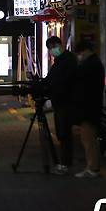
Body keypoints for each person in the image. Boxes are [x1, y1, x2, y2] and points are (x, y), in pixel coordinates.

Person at [43, 36, 78, 175]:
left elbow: (63, 82)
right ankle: (64, 163)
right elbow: (52, 79)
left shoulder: (68, 60)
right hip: (60, 103)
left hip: (65, 103)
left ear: (59, 45)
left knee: (64, 134)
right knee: (62, 133)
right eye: (50, 49)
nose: (52, 51)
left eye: (53, 47)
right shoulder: (59, 61)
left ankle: (65, 164)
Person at [73, 41, 105, 178]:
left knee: (88, 138)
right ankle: (92, 166)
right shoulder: (96, 63)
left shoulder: (90, 65)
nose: (79, 56)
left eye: (80, 54)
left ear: (85, 51)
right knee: (89, 138)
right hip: (93, 106)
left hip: (89, 107)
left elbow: (80, 82)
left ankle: (92, 168)